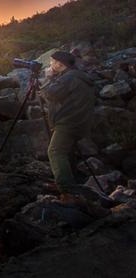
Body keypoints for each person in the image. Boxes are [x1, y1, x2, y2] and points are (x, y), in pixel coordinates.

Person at [40, 50, 96, 201]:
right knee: (67, 152)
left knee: (55, 151)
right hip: (80, 122)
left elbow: (51, 94)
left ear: (60, 64)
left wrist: (48, 77)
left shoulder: (69, 77)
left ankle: (68, 190)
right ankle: (69, 182)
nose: (50, 64)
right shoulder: (77, 76)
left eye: (52, 62)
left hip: (69, 122)